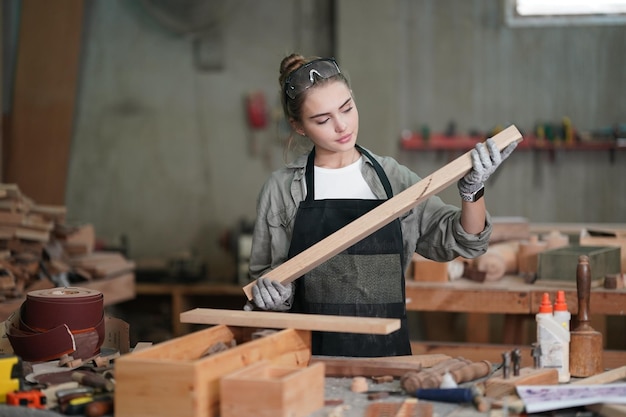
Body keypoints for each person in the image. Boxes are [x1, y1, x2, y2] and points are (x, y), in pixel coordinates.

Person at [247, 53, 517, 357]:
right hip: (308, 357)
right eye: (323, 120)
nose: (342, 126)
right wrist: (274, 295)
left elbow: (463, 241)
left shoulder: (393, 179)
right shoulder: (281, 190)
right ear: (298, 126)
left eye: (347, 108)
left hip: (388, 355)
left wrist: (472, 191)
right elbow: (262, 283)